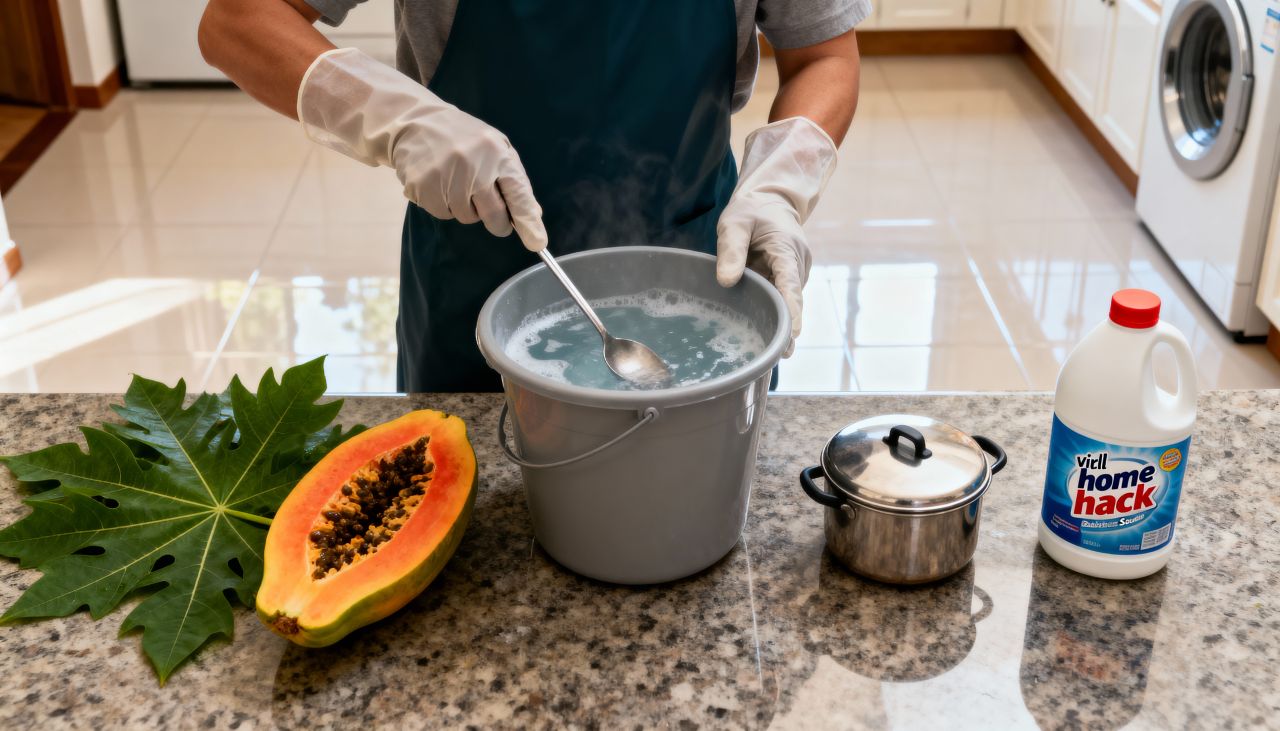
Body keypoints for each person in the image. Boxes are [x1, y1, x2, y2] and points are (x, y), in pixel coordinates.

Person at [199, 0, 865, 392]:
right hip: (475, 293)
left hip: (697, 282)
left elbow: (824, 57)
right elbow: (237, 20)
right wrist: (398, 119)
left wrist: (781, 183)